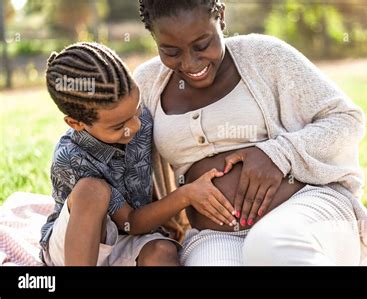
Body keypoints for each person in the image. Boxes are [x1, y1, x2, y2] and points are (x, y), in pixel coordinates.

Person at [135, 0, 367, 266]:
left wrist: (277, 154)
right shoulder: (146, 84)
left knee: (268, 246)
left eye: (202, 45)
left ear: (221, 18)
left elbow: (346, 119)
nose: (190, 63)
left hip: (307, 209)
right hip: (215, 235)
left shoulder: (265, 55)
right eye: (171, 51)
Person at [40, 42, 237, 266]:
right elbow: (130, 221)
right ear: (75, 123)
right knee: (92, 191)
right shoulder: (70, 157)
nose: (134, 126)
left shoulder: (141, 122)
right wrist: (186, 195)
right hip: (72, 251)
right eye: (118, 126)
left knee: (162, 250)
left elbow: (138, 186)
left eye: (136, 110)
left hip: (127, 241)